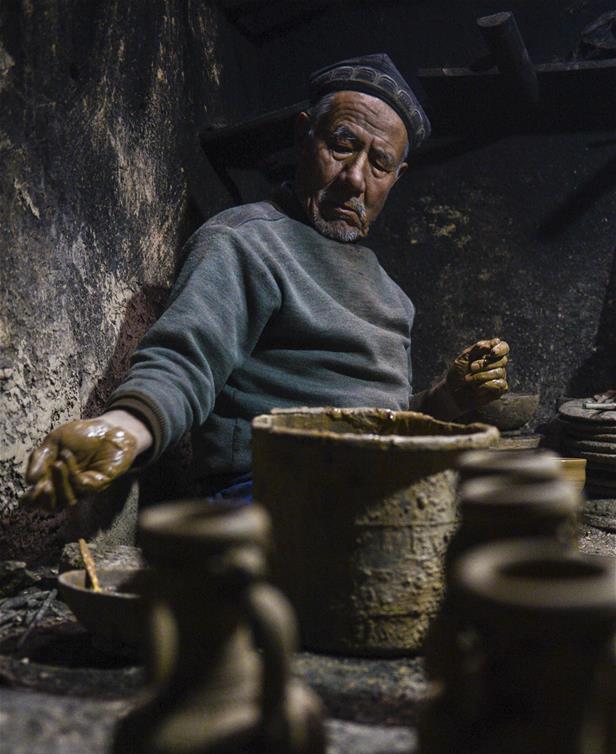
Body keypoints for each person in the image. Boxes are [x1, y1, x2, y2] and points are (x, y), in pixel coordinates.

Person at [23, 54, 509, 510]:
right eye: (342, 145)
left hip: (375, 482)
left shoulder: (390, 294)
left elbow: (381, 414)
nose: (356, 178)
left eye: (379, 163)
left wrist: (448, 397)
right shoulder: (245, 242)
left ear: (396, 176)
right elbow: (184, 361)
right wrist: (122, 428)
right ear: (304, 137)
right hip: (273, 490)